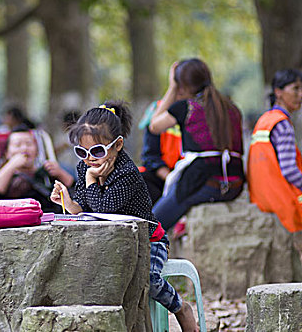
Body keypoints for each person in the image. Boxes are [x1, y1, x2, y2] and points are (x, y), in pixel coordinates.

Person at [50, 101, 198, 332]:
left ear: (117, 145)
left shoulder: (126, 173)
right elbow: (86, 206)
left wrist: (90, 181)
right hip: (112, 242)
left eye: (97, 151)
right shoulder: (86, 168)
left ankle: (180, 307)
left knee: (147, 277)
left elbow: (103, 211)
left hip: (149, 241)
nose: (90, 159)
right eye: (82, 152)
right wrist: (68, 203)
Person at [149, 59, 244, 231]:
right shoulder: (231, 107)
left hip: (204, 183)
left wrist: (171, 88)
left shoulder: (185, 107)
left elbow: (154, 125)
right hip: (235, 184)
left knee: (151, 225)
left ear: (182, 87)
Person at [248, 69, 302, 233]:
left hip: (261, 197)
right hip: (282, 201)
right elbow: (289, 170)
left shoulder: (265, 120)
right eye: (296, 89)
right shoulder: (283, 124)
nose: (300, 95)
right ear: (278, 92)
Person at [0, 125, 74, 213]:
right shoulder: (1, 175)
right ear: (7, 153)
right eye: (17, 145)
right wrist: (11, 166)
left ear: (37, 151)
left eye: (29, 144)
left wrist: (60, 173)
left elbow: (77, 192)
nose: (24, 148)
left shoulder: (47, 173)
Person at [138, 101, 182, 204]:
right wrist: (170, 179)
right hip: (163, 176)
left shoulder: (200, 109)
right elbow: (150, 156)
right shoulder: (157, 107)